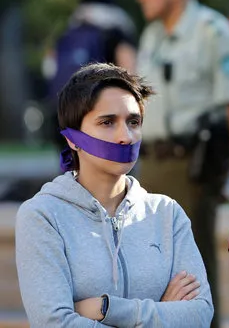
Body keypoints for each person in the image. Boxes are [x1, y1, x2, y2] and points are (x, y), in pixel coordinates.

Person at [15, 63, 213, 327]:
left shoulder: (167, 213)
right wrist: (161, 313)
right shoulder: (43, 216)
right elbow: (55, 323)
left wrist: (106, 308)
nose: (126, 136)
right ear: (72, 139)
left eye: (134, 122)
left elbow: (199, 315)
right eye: (107, 122)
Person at [132, 0, 229, 323]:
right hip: (150, 163)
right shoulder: (152, 35)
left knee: (193, 270)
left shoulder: (211, 30)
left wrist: (219, 170)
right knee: (149, 269)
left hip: (191, 166)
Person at [44, 0, 138, 152]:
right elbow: (130, 71)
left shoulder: (68, 32)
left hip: (65, 118)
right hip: (103, 124)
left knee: (72, 175)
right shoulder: (116, 30)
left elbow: (49, 69)